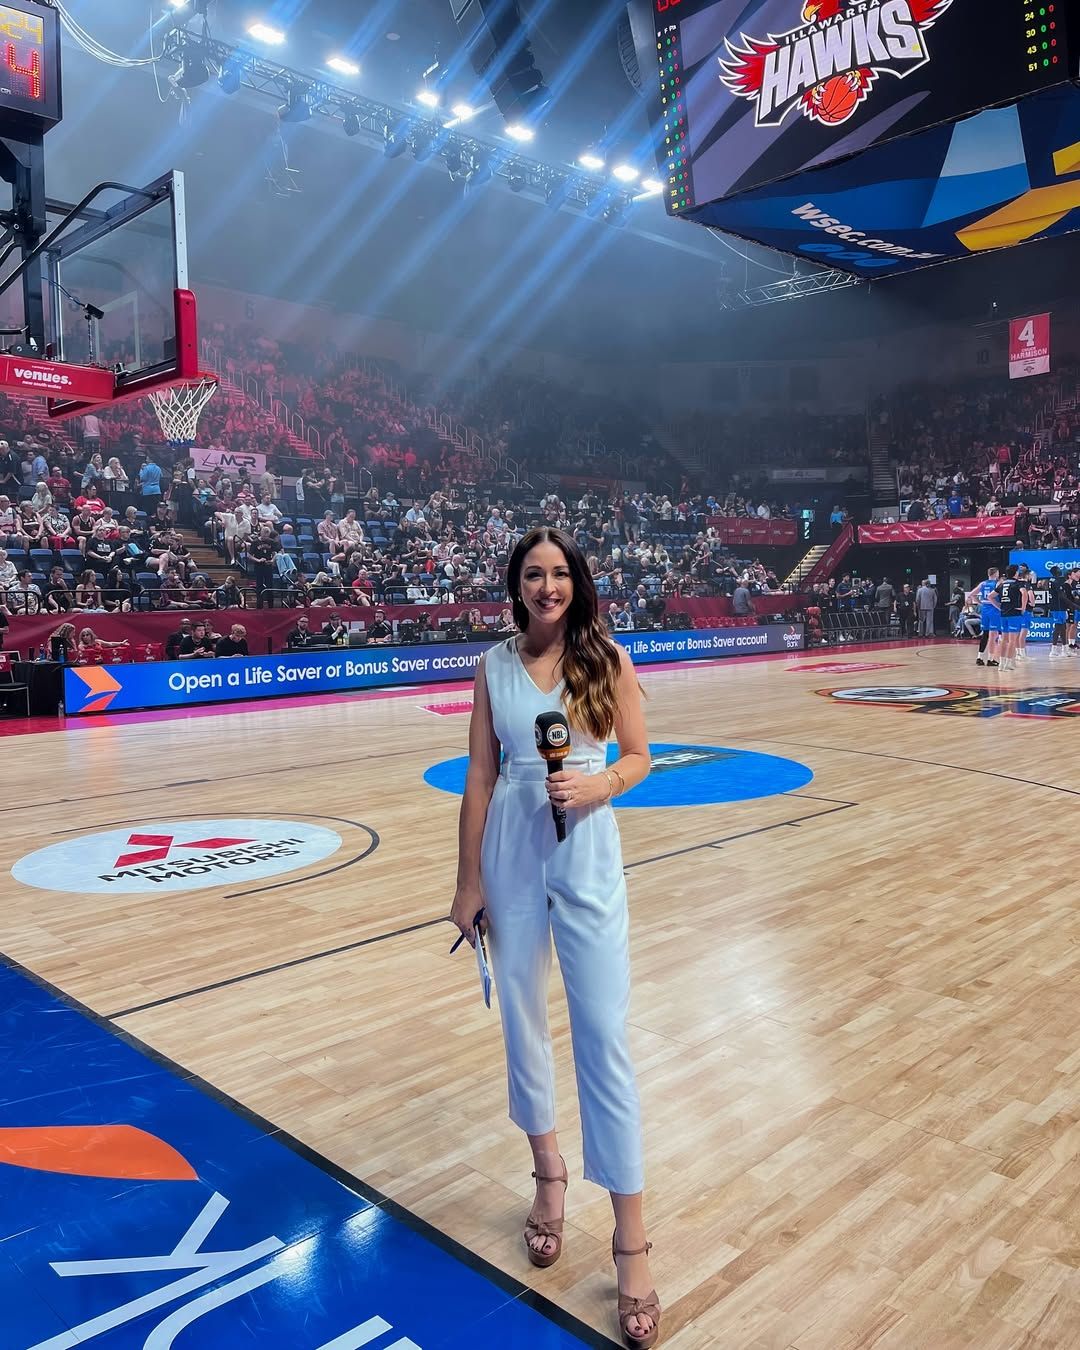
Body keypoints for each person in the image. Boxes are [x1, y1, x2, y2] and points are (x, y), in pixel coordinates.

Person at [448, 526, 659, 1348]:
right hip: (511, 846)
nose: (547, 586)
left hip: (588, 844)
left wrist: (602, 785)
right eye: (533, 574)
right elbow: (480, 774)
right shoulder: (492, 665)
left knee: (603, 1032)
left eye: (559, 572)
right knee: (523, 1020)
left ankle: (631, 1238)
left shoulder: (608, 658)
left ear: (578, 582)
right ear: (516, 585)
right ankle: (548, 1175)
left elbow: (639, 755)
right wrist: (468, 882)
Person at [967, 567, 1001, 667]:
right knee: (993, 636)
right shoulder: (997, 583)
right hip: (994, 610)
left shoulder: (983, 583)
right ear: (996, 574)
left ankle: (979, 657)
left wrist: (980, 603)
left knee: (985, 634)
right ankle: (990, 659)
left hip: (985, 610)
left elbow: (972, 594)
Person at [996, 564, 1024, 672]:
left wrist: (999, 606)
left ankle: (1001, 664)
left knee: (1004, 639)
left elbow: (990, 596)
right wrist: (1023, 607)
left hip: (1004, 614)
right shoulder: (1017, 583)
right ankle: (1008, 663)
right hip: (1014, 613)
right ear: (1016, 572)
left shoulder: (1002, 584)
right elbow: (1024, 593)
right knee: (1012, 640)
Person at [1047, 565, 1069, 661]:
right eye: (1059, 569)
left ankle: (1065, 648)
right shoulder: (1056, 581)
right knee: (1058, 626)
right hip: (1058, 607)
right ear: (1056, 572)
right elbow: (1061, 595)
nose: (1061, 571)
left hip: (1059, 607)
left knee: (1063, 627)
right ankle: (1053, 649)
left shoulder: (1052, 580)